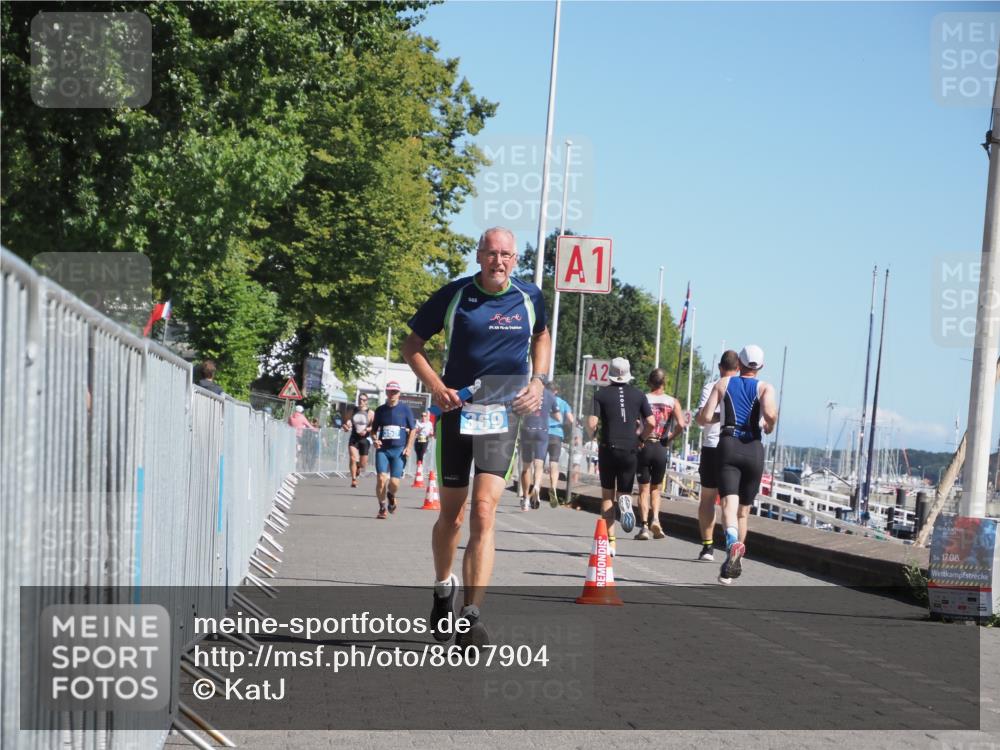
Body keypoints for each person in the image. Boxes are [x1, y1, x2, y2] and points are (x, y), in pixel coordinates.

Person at [402, 226, 549, 649]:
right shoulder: (455, 296)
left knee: (485, 510)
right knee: (452, 517)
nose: (498, 261)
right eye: (491, 254)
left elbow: (542, 335)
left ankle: (472, 615)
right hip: (457, 415)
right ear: (479, 255)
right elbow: (412, 345)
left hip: (502, 416)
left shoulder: (529, 297)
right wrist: (435, 385)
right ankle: (442, 590)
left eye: (505, 255)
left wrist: (538, 381)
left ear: (514, 259)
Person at [697, 345, 778, 585]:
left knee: (728, 505)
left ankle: (731, 544)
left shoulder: (722, 384)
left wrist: (715, 418)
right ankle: (734, 564)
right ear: (761, 367)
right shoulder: (765, 387)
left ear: (739, 364)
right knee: (744, 511)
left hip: (728, 444)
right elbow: (771, 415)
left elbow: (704, 416)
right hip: (753, 447)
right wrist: (768, 426)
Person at [586, 357, 655, 553]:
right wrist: (641, 439)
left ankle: (611, 542)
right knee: (623, 492)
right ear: (628, 374)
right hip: (630, 449)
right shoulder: (639, 395)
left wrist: (594, 434)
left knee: (607, 495)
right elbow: (651, 422)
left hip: (608, 448)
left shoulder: (600, 395)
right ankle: (625, 504)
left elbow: (592, 423)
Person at [694, 350, 741, 561]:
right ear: (738, 368)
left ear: (720, 367)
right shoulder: (745, 389)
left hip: (713, 446)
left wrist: (718, 416)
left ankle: (707, 546)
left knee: (707, 498)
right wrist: (729, 417)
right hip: (736, 447)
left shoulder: (710, 387)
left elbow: (701, 418)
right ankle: (732, 545)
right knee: (731, 502)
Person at [634, 368, 687, 540]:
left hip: (644, 445)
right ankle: (655, 518)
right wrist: (669, 438)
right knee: (656, 488)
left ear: (650, 382)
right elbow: (681, 424)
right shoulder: (672, 402)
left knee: (643, 489)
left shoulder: (642, 399)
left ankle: (643, 527)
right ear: (664, 383)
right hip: (660, 448)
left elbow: (636, 421)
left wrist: (638, 436)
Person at [371, 381, 417, 518]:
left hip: (399, 450)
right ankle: (382, 507)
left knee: (394, 482)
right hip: (383, 450)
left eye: (395, 392)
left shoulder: (405, 409)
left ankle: (391, 495)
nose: (392, 394)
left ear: (399, 394)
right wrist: (375, 440)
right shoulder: (380, 410)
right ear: (386, 392)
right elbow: (373, 431)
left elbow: (413, 430)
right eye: (390, 391)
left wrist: (408, 447)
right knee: (381, 478)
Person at [518, 385, 559, 510]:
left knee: (526, 467)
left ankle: (525, 498)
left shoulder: (525, 392)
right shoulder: (550, 396)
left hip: (527, 429)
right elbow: (558, 417)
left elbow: (517, 408)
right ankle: (536, 486)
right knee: (539, 464)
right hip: (542, 430)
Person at [545, 383, 574, 507]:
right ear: (556, 391)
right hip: (557, 434)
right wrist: (566, 428)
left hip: (542, 432)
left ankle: (536, 486)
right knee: (554, 463)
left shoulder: (542, 401)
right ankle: (553, 487)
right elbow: (571, 420)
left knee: (539, 463)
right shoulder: (563, 403)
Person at [343, 394, 374, 488]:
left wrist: (366, 430)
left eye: (364, 400)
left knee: (363, 464)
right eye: (360, 399)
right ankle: (353, 479)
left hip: (365, 439)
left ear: (367, 401)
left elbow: (374, 427)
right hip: (354, 438)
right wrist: (346, 426)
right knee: (353, 458)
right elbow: (346, 421)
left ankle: (358, 467)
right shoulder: (353, 410)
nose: (361, 401)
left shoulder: (370, 413)